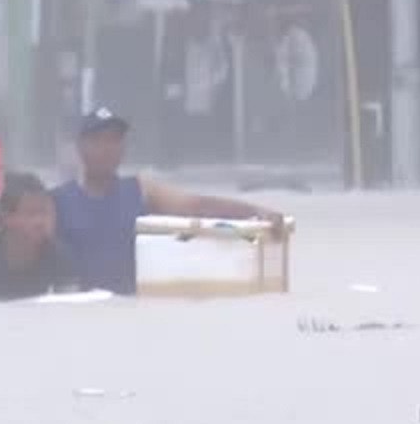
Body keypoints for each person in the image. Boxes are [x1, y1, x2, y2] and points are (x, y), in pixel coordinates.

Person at [53, 107, 285, 295]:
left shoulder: (141, 190)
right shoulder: (56, 201)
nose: (107, 149)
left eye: (115, 140)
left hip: (130, 308)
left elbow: (196, 207)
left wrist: (258, 212)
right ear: (80, 147)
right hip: (80, 308)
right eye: (98, 140)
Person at [0, 172, 75, 303]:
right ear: (7, 218)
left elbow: (66, 307)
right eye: (31, 214)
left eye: (45, 213)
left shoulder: (60, 255)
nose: (40, 222)